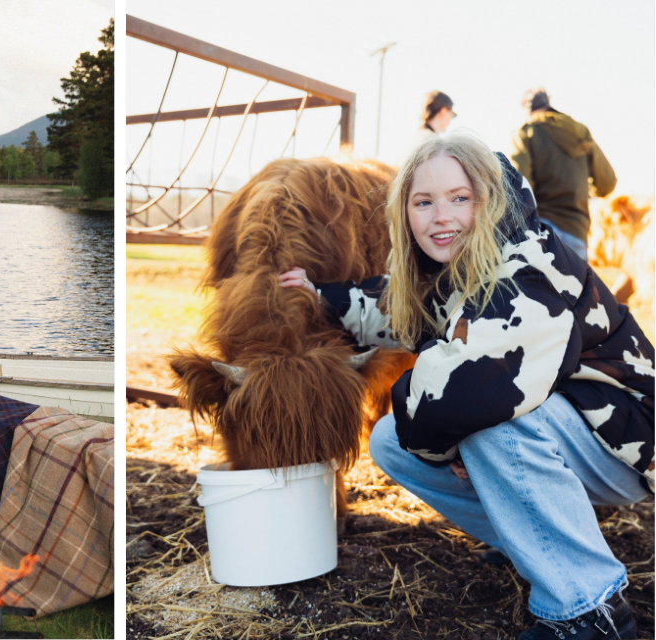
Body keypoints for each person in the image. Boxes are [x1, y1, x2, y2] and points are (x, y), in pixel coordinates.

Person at [280, 133, 653, 639]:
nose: (441, 217)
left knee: (490, 424)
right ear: (404, 211)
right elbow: (396, 310)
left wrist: (447, 435)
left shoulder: (527, 266)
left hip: (623, 437)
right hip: (569, 428)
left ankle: (589, 606)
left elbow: (466, 391)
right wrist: (321, 297)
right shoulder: (447, 268)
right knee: (391, 441)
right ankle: (545, 551)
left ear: (490, 200)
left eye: (460, 198)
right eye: (423, 202)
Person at [511, 88, 616, 261]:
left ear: (527, 109)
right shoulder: (580, 132)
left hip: (540, 231)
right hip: (577, 231)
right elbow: (607, 184)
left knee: (536, 288)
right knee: (576, 288)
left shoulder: (525, 132)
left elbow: (520, 189)